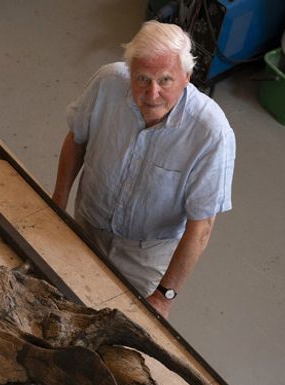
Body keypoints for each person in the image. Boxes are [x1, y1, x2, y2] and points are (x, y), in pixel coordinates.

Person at [52, 21, 235, 319]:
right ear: (129, 71)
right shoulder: (107, 82)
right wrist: (56, 205)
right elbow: (77, 140)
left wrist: (164, 296)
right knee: (62, 305)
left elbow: (201, 227)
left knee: (123, 328)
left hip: (145, 254)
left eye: (165, 80)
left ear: (187, 77)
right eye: (142, 78)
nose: (152, 93)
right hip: (87, 223)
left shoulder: (211, 134)